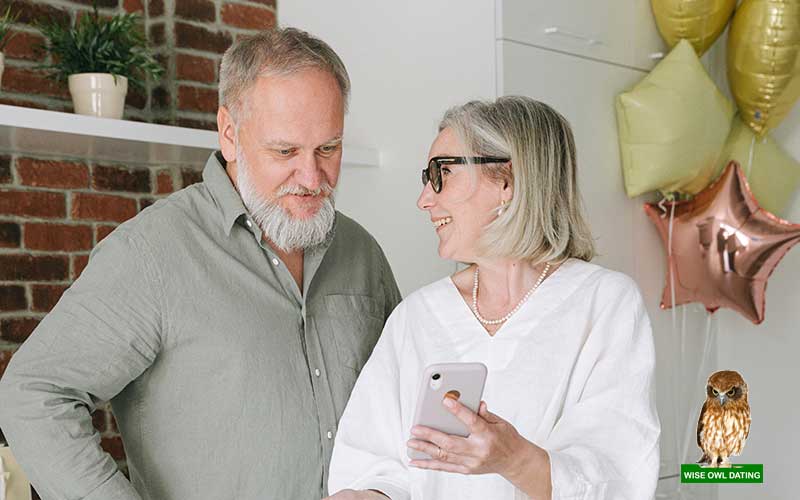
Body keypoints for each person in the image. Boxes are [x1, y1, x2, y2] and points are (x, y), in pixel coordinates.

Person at [0, 28, 401, 500]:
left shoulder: (362, 253)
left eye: (328, 149)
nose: (312, 177)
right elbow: (32, 393)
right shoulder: (151, 254)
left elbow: (400, 401)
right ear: (230, 134)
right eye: (285, 151)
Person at [326, 97, 660, 500]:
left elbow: (618, 474)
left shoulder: (603, 304)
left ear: (507, 181)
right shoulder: (417, 316)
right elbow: (375, 466)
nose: (425, 200)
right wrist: (364, 495)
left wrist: (512, 458)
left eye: (442, 174)